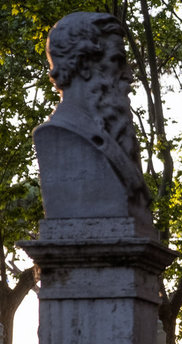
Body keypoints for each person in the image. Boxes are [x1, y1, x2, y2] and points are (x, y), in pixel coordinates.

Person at [34, 12, 152, 226]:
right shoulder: (59, 137)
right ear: (84, 65)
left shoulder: (113, 138)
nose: (129, 75)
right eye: (117, 60)